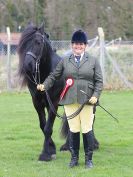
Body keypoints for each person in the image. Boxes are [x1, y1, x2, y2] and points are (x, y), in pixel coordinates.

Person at [37, 29, 103, 168]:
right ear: (72, 45)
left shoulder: (93, 61)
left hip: (87, 100)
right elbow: (54, 75)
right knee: (73, 129)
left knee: (86, 129)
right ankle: (74, 159)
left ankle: (88, 160)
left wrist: (95, 96)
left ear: (85, 45)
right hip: (70, 100)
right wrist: (45, 85)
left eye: (81, 44)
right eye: (75, 44)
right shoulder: (65, 61)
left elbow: (99, 81)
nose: (78, 46)